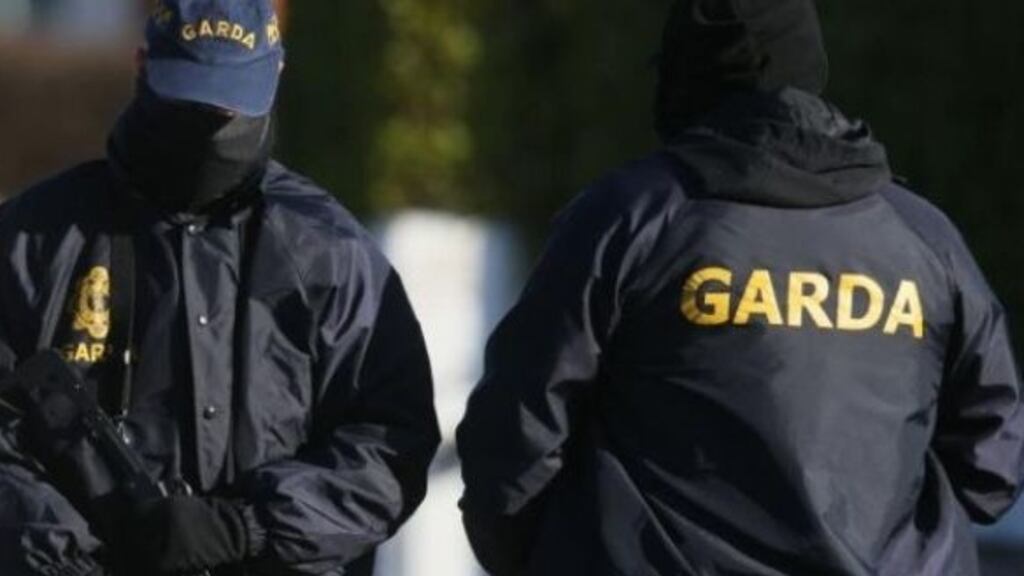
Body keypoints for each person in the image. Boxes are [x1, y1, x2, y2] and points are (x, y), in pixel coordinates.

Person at [456, 0, 1024, 574]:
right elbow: (992, 463)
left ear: (687, 74)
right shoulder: (924, 237)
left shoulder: (630, 218)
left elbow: (516, 435)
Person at [0, 1, 440, 575]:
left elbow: (388, 444)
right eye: (188, 102)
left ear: (277, 72)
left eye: (230, 108)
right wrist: (74, 560)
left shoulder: (329, 255)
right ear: (142, 64)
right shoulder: (33, 242)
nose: (209, 130)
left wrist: (247, 526)